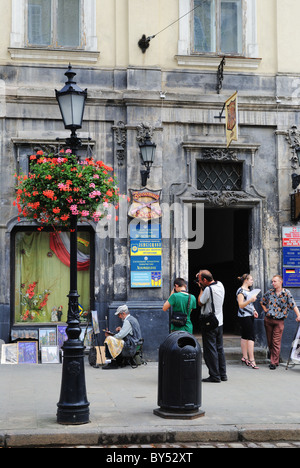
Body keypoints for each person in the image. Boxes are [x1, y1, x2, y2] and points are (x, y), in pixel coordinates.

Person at [261, 275, 300, 369]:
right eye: (272, 281)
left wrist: (298, 315)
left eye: (275, 281)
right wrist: (265, 309)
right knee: (270, 341)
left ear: (280, 282)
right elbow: (262, 301)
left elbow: (293, 305)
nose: (273, 283)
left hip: (279, 321)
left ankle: (273, 362)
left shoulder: (286, 293)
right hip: (268, 320)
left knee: (276, 341)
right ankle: (274, 359)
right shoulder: (270, 292)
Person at [197, 269, 227, 383]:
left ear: (204, 280)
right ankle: (222, 374)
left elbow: (200, 302)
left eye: (200, 280)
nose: (199, 282)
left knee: (210, 350)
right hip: (219, 321)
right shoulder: (220, 284)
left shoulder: (208, 289)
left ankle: (214, 375)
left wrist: (201, 288)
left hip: (209, 323)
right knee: (219, 348)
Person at [103, 304, 142, 369]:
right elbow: (129, 332)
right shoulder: (132, 319)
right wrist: (122, 329)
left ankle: (112, 363)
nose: (119, 317)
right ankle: (117, 361)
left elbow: (120, 336)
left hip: (131, 344)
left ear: (123, 313)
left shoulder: (127, 321)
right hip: (134, 343)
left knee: (109, 339)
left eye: (119, 315)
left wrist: (110, 335)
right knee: (112, 339)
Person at [236, 274, 259, 369]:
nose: (252, 281)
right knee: (251, 337)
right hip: (244, 316)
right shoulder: (240, 291)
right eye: (251, 279)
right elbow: (241, 305)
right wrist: (250, 300)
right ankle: (252, 359)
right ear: (246, 280)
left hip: (249, 315)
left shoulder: (249, 291)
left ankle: (245, 357)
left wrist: (254, 310)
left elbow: (249, 305)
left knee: (245, 336)